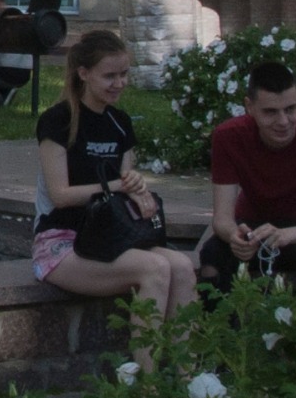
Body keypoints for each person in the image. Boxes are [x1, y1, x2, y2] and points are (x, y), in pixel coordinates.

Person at [32, 30, 196, 371]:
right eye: (110, 75)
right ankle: (147, 386)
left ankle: (187, 376)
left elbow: (127, 193)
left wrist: (141, 194)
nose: (119, 83)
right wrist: (118, 187)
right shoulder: (58, 120)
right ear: (84, 73)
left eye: (124, 74)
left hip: (109, 236)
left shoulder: (120, 124)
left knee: (180, 265)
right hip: (61, 242)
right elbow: (60, 196)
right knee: (154, 268)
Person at [200, 61, 296, 293]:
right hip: (253, 229)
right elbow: (222, 218)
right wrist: (234, 237)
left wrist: (286, 235)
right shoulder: (228, 136)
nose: (283, 121)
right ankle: (219, 327)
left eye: (291, 109)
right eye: (270, 112)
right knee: (212, 256)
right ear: (249, 106)